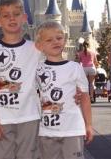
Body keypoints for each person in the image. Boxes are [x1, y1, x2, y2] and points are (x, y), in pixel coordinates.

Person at [0, 0, 42, 159]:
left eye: (16, 14)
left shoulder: (36, 49)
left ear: (24, 18)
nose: (12, 18)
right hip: (2, 118)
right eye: (6, 15)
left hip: (30, 116)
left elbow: (54, 68)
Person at [35, 21, 93, 159]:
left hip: (72, 129)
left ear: (65, 40)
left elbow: (85, 97)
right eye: (49, 40)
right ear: (40, 46)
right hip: (47, 130)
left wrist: (89, 125)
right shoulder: (36, 69)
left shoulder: (75, 67)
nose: (55, 42)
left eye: (59, 38)